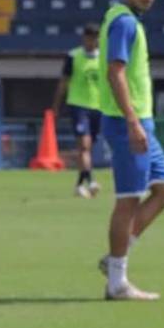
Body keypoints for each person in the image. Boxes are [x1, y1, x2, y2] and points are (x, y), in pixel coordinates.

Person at [96, 0, 164, 301]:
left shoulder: (126, 19)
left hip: (141, 123)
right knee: (128, 200)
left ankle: (116, 256)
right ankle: (117, 282)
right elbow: (115, 73)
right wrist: (132, 122)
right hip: (127, 123)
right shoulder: (125, 22)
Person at [51, 23, 102, 198]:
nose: (92, 41)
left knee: (87, 147)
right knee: (84, 146)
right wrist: (56, 106)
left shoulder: (103, 58)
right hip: (78, 105)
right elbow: (63, 82)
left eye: (95, 38)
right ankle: (91, 181)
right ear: (84, 38)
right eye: (89, 37)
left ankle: (79, 185)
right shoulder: (73, 56)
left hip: (98, 107)